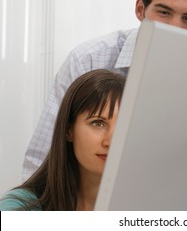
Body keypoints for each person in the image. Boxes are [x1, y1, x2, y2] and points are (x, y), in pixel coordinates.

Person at [22, 0, 187, 180]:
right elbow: (40, 160)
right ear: (141, 9)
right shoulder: (87, 60)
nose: (174, 28)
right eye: (164, 13)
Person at [0, 69, 125, 210]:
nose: (111, 142)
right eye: (97, 123)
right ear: (68, 130)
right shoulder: (19, 208)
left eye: (123, 125)